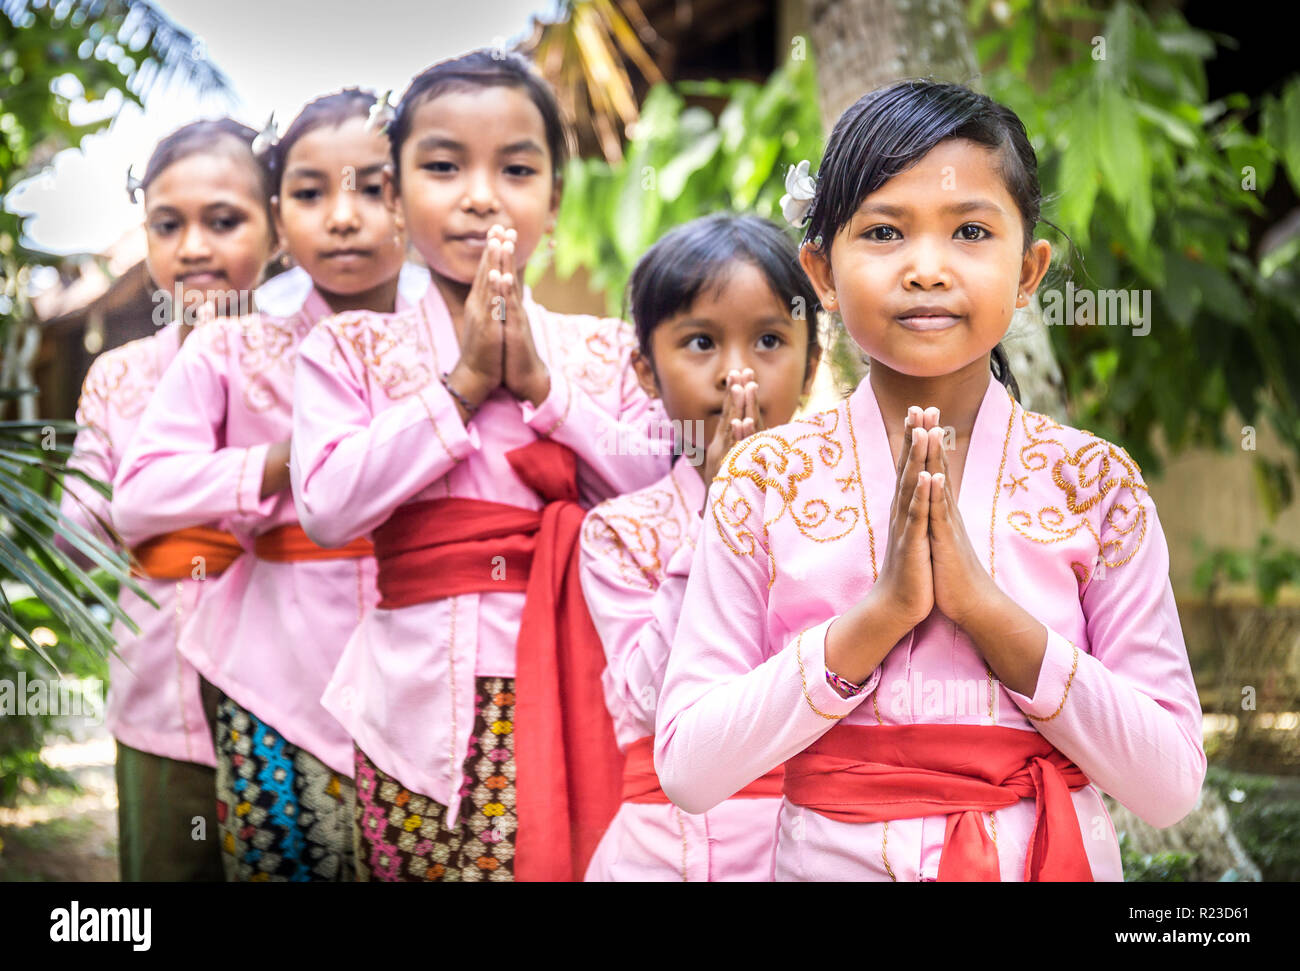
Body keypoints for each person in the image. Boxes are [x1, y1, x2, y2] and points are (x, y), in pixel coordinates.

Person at [654, 80, 1207, 882]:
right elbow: (689, 769)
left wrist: (989, 612)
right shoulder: (763, 483)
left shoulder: (1095, 487)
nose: (925, 269)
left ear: (1028, 271)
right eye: (883, 231)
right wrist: (875, 620)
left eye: (971, 230)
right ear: (823, 273)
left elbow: (1170, 785)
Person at [291, 50, 669, 882]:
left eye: (516, 168)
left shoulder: (605, 355)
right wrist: (459, 388)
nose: (480, 194)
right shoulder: (351, 349)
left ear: (556, 200)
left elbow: (660, 500)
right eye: (442, 165)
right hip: (413, 707)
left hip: (582, 691)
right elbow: (324, 506)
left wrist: (544, 387)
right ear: (391, 194)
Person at [112, 90, 413, 881]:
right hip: (273, 693)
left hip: (424, 686)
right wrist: (278, 465)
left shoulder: (457, 345)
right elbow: (133, 498)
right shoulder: (231, 352)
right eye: (311, 193)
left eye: (374, 187)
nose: (343, 216)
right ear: (285, 217)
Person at [58, 118, 278, 880]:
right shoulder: (119, 378)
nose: (193, 246)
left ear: (276, 228)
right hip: (160, 704)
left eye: (224, 221)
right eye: (167, 224)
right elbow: (74, 532)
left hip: (297, 707)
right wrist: (148, 535)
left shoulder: (316, 364)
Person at [580, 214, 821, 880]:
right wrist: (719, 518)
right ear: (647, 371)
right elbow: (652, 700)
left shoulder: (845, 518)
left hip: (813, 841)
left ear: (812, 367)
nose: (735, 374)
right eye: (701, 343)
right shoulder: (620, 532)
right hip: (663, 852)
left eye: (769, 339)